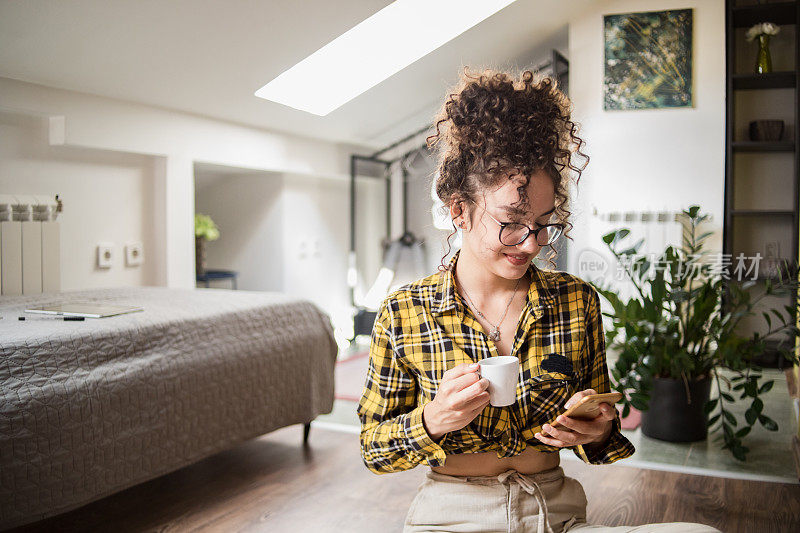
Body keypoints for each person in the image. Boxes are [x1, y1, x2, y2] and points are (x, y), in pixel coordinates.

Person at [356, 67, 720, 533]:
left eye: (545, 222)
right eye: (512, 221)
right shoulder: (405, 311)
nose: (531, 243)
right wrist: (432, 419)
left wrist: (597, 429)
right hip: (452, 515)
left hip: (554, 511)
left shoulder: (576, 301)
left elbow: (601, 435)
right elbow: (374, 448)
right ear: (459, 210)